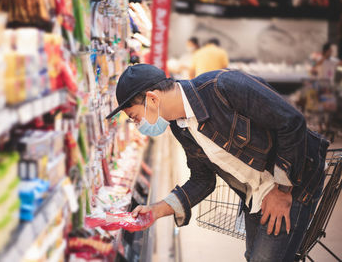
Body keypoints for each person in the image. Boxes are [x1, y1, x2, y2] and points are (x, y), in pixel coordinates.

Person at [106, 64, 329, 262]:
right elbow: (202, 179)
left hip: (295, 176)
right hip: (256, 191)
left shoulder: (223, 87)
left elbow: (292, 121)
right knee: (253, 256)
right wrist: (156, 211)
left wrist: (282, 191)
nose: (138, 125)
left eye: (135, 117)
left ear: (153, 98)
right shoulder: (181, 127)